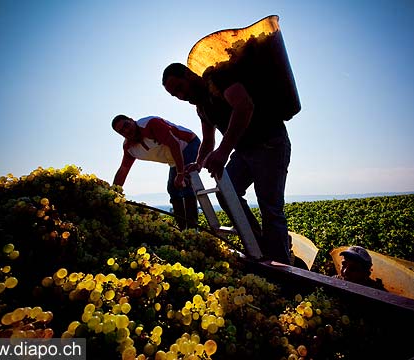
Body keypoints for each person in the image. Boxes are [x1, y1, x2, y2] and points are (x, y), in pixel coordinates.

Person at [162, 63, 292, 264]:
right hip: (243, 151)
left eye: (180, 87)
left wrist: (223, 151)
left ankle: (282, 267)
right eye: (175, 95)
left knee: (270, 207)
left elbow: (244, 106)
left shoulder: (218, 78)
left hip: (269, 143)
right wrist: (198, 163)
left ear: (188, 74)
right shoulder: (202, 107)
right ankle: (259, 247)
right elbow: (207, 141)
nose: (180, 95)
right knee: (225, 193)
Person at [112, 114, 201, 229]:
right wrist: (113, 192)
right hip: (174, 159)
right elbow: (123, 170)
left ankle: (193, 229)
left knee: (184, 183)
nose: (127, 131)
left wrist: (180, 174)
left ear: (132, 120)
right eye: (122, 131)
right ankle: (183, 229)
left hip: (188, 145)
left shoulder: (151, 124)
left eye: (126, 125)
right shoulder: (129, 147)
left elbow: (174, 145)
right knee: (173, 190)